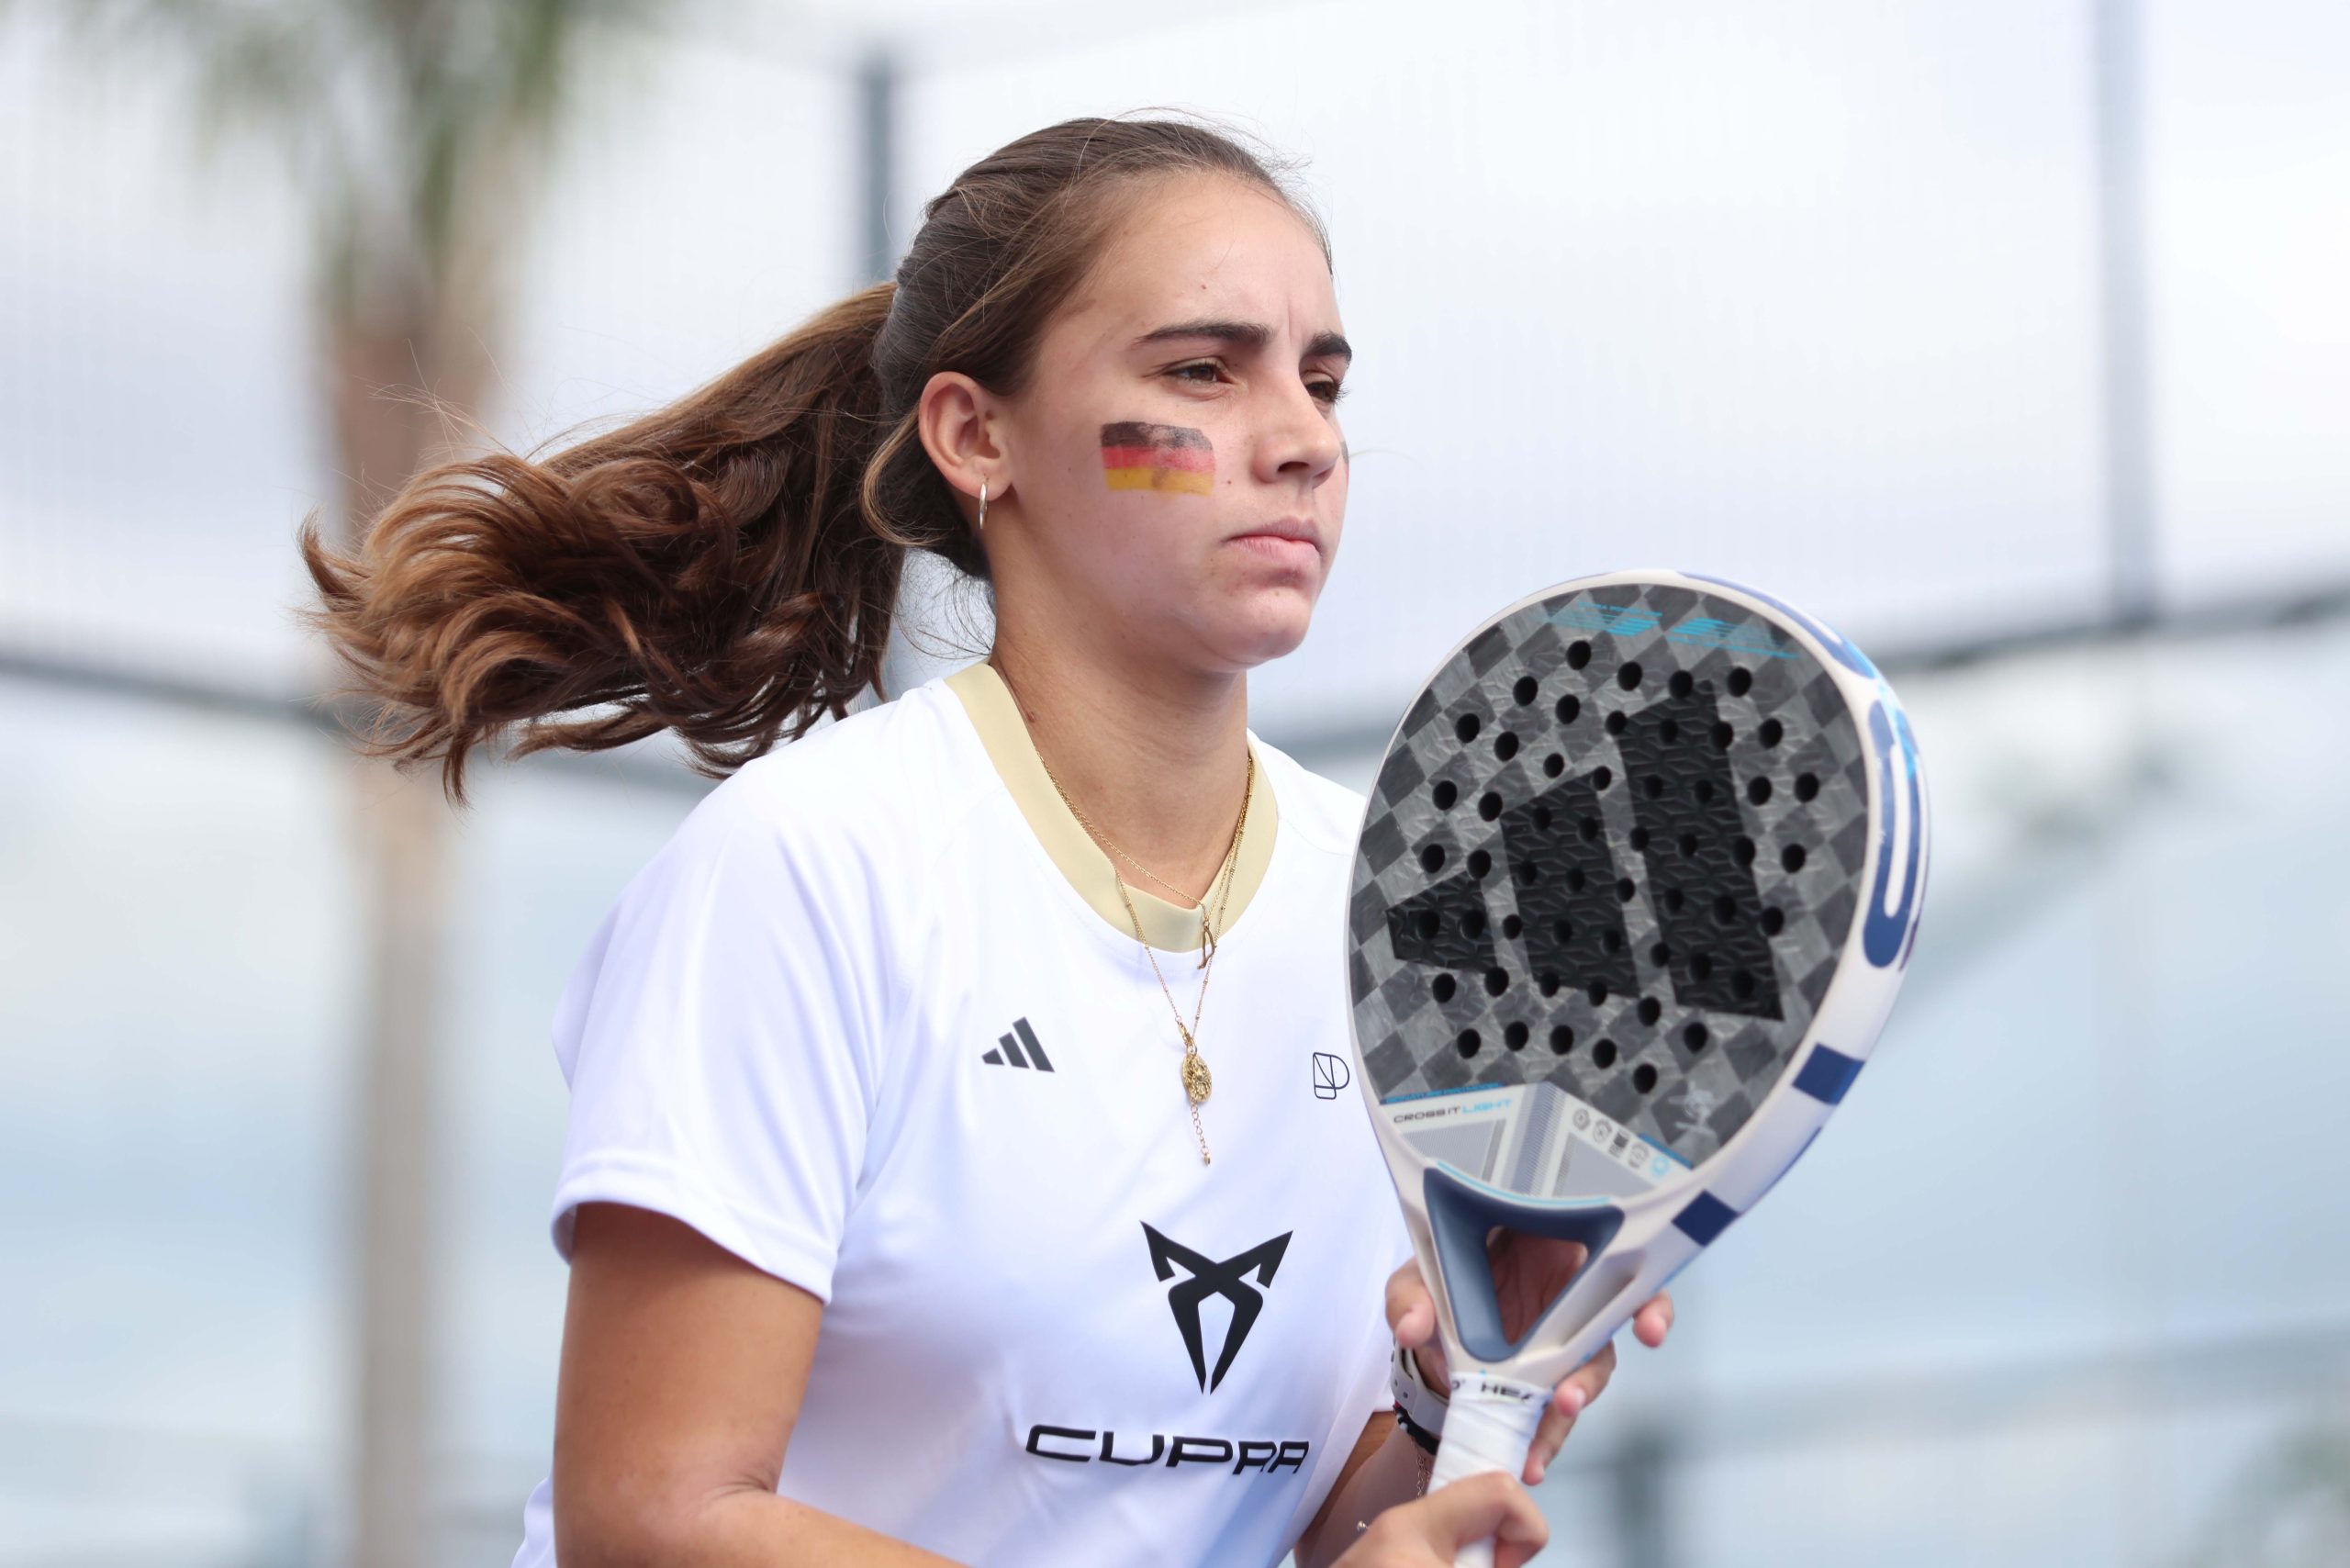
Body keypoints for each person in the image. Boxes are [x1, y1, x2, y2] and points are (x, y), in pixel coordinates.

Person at [299, 113, 1673, 1568]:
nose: (1305, 441)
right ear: (974, 436)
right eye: (1201, 372)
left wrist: (1446, 1396)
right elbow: (651, 1520)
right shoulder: (809, 866)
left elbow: (1298, 1525)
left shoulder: (1389, 913)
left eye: (1321, 381)